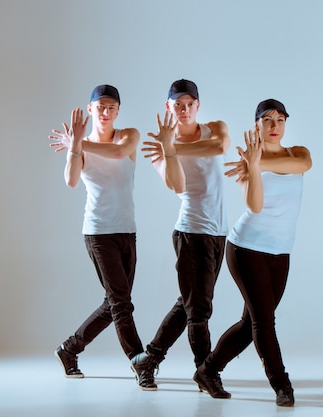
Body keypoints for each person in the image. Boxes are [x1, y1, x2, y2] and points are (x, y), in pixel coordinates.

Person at [193, 99, 312, 407]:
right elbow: (255, 205)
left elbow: (302, 166)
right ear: (257, 125)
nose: (274, 126)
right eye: (268, 120)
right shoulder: (248, 164)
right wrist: (253, 168)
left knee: (251, 324)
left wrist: (257, 162)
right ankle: (281, 384)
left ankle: (208, 370)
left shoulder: (298, 153)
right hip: (247, 248)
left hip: (281, 251)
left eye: (280, 120)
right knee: (264, 321)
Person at [48, 85, 155, 390]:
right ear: (90, 108)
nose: (106, 112)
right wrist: (74, 148)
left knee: (114, 302)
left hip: (127, 231)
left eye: (111, 107)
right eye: (101, 107)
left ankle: (69, 349)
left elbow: (119, 152)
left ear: (118, 111)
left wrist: (79, 143)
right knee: (121, 302)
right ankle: (139, 360)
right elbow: (70, 181)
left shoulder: (127, 136)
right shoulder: (80, 146)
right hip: (98, 232)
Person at [130, 80, 232, 390]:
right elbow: (177, 186)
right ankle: (206, 371)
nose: (184, 109)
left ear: (198, 106)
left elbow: (220, 147)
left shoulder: (214, 128)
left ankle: (149, 359)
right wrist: (168, 152)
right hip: (191, 233)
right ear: (169, 107)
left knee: (189, 304)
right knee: (199, 310)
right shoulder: (159, 150)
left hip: (218, 233)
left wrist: (173, 147)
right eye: (178, 104)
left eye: (189, 103)